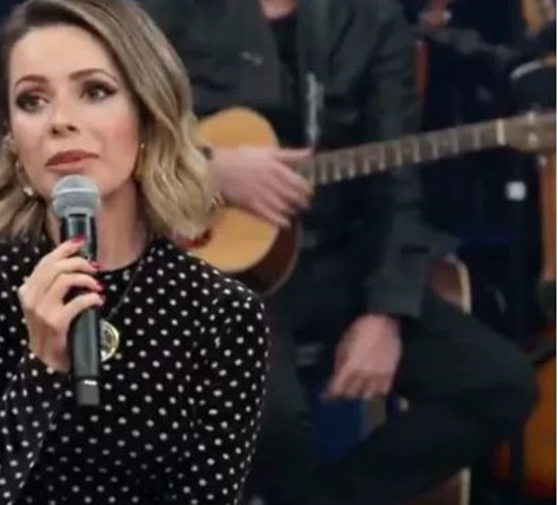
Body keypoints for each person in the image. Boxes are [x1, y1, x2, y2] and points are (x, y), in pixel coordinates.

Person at [134, 0, 539, 504]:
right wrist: (206, 168)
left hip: (336, 260)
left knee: (500, 384)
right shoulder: (161, 10)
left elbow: (397, 183)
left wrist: (385, 313)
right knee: (267, 416)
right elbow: (109, 126)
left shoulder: (373, 17)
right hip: (210, 274)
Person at [0, 0, 270, 503]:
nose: (60, 121)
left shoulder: (222, 315)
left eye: (94, 91)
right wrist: (40, 370)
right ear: (11, 138)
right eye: (32, 101)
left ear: (147, 114)